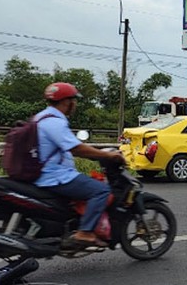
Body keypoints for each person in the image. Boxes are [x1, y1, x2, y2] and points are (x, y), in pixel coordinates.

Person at [34, 82, 125, 248]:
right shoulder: (55, 122)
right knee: (101, 190)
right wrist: (107, 155)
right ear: (66, 102)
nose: (75, 105)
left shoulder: (40, 117)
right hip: (55, 176)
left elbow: (71, 149)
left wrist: (95, 155)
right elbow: (76, 148)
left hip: (42, 173)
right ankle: (85, 232)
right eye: (73, 100)